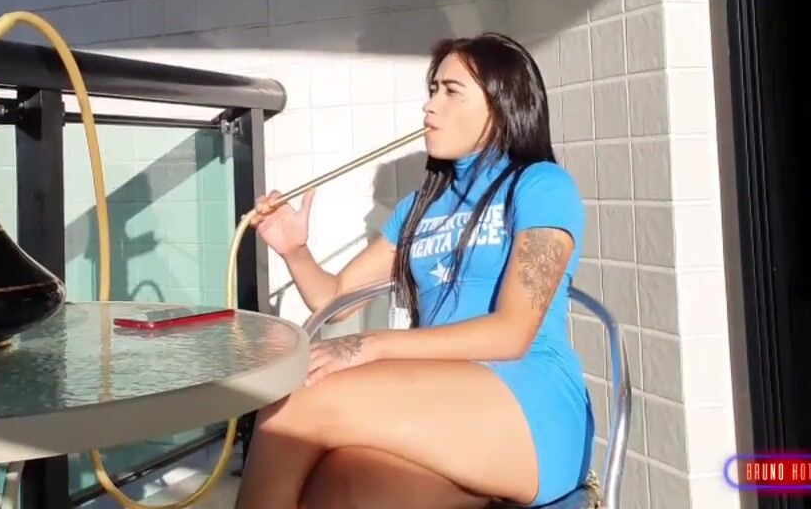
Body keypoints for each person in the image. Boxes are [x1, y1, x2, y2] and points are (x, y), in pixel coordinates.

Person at [235, 33, 594, 508]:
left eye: (451, 91)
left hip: (528, 400)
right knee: (336, 488)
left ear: (502, 104)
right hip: (441, 399)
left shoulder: (541, 186)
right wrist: (295, 251)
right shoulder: (419, 207)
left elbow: (512, 333)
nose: (430, 106)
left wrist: (372, 346)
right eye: (432, 89)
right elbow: (335, 301)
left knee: (296, 398)